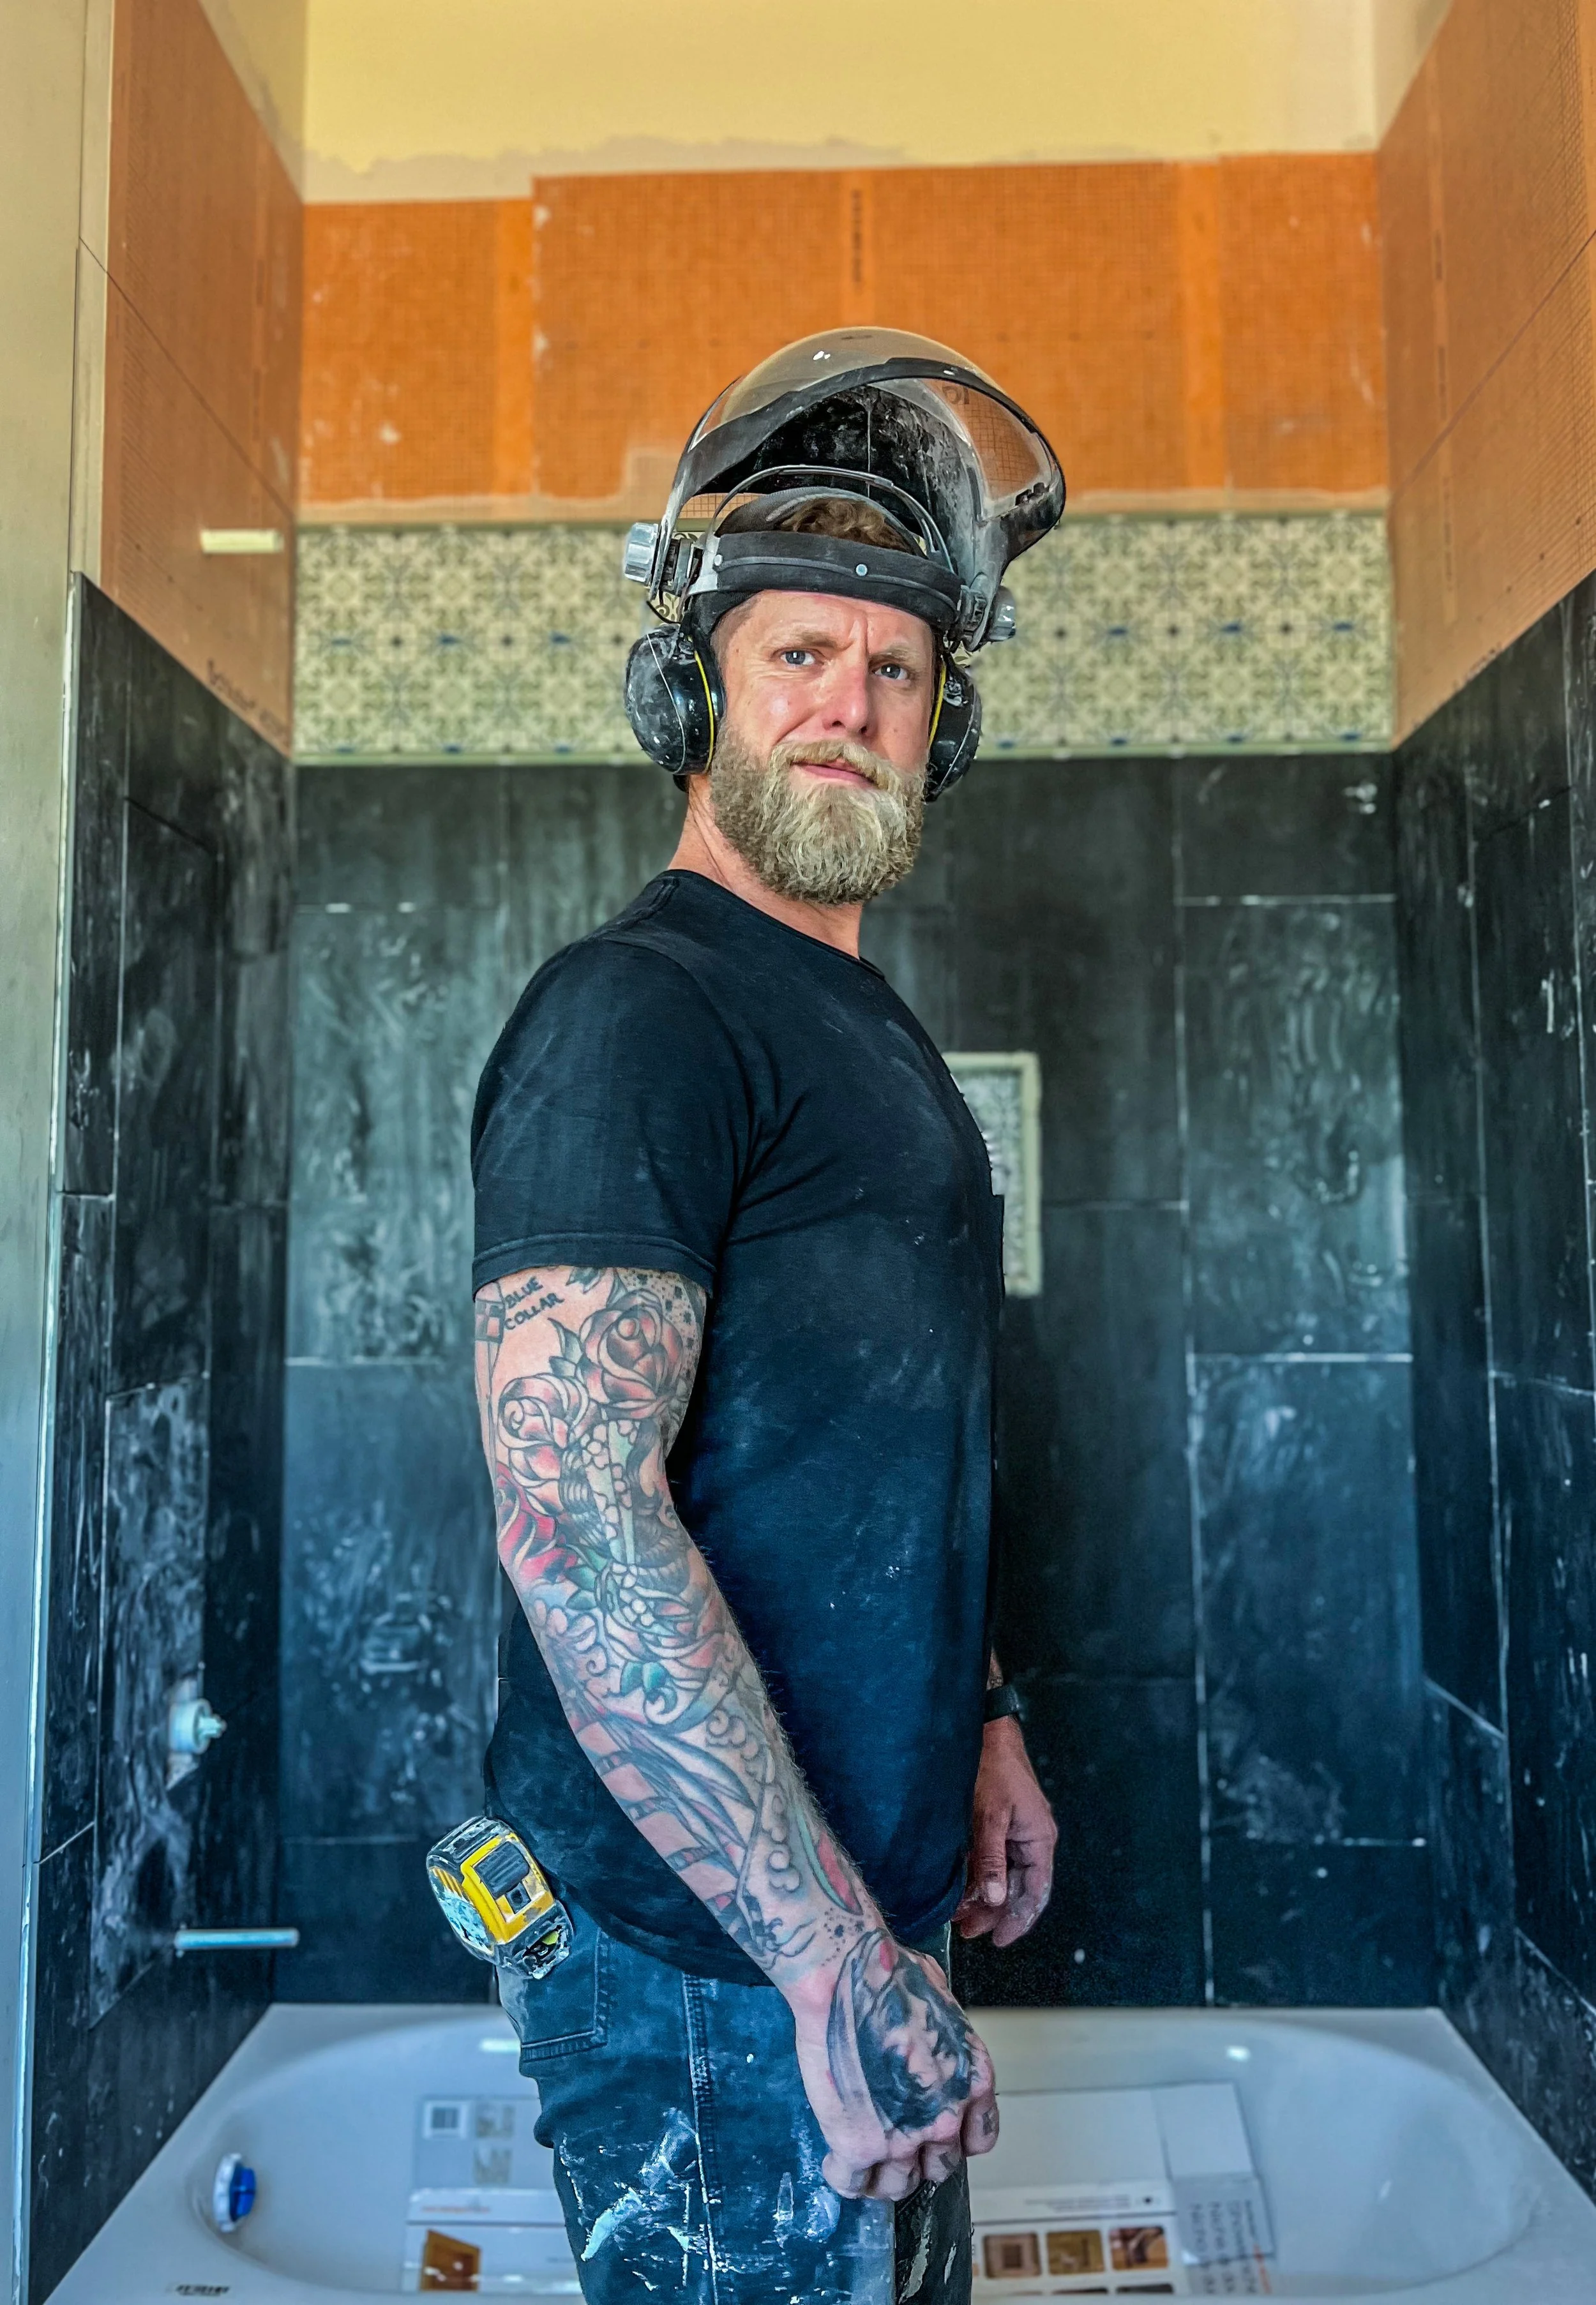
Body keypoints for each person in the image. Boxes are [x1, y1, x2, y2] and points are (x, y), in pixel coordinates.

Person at [470, 329, 1065, 2304]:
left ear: (939, 733)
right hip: (722, 1971)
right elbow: (575, 1512)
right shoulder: (640, 1012)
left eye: (893, 673)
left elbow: (870, 1437)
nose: (849, 705)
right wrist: (822, 1963)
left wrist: (973, 1719)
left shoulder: (855, 1020)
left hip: (854, 1910)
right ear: (692, 696)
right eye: (797, 656)